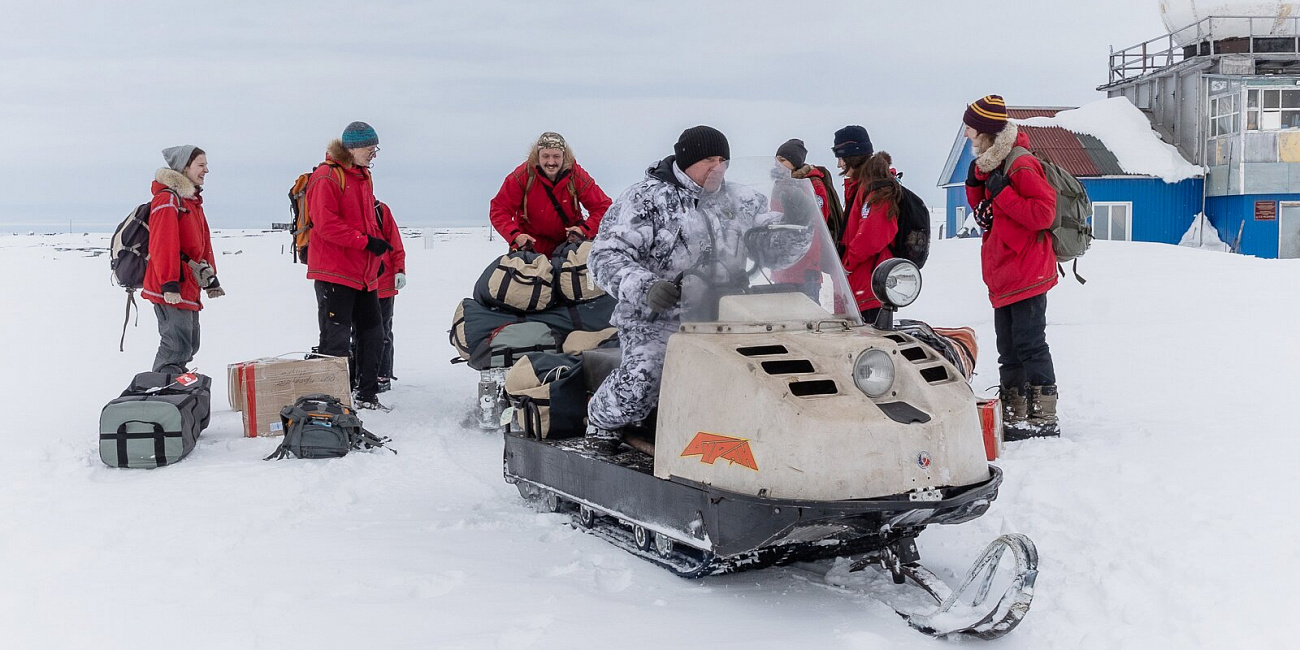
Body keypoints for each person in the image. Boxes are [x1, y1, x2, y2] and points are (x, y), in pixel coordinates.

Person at [584, 126, 816, 455]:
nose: (718, 167)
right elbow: (605, 257)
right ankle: (602, 421)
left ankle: (776, 443)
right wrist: (647, 288)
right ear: (687, 160)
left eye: (724, 160)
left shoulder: (742, 200)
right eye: (709, 159)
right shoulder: (646, 200)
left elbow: (771, 251)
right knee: (644, 380)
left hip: (730, 314)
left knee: (781, 371)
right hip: (658, 317)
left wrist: (796, 223)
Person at [962, 95, 1060, 439]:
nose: (966, 135)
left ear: (986, 131)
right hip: (1006, 271)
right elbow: (988, 217)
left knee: (1030, 344)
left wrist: (1002, 193)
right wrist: (976, 185)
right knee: (1008, 348)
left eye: (970, 128)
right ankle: (1015, 413)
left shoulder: (1020, 164)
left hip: (1027, 270)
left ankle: (1043, 417)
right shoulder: (994, 164)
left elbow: (1042, 215)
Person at [305, 121, 391, 410]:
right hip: (334, 271)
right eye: (370, 148)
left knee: (373, 334)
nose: (374, 154)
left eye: (375, 148)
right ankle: (333, 400)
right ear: (352, 148)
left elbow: (368, 222)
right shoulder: (326, 176)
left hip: (362, 273)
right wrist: (366, 243)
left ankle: (366, 394)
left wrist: (375, 258)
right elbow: (326, 225)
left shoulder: (363, 177)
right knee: (336, 339)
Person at [142, 145, 222, 374]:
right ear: (184, 167)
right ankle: (159, 395)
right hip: (170, 286)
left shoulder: (191, 202)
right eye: (201, 165)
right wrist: (169, 282)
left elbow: (203, 244)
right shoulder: (167, 199)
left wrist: (210, 278)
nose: (206, 170)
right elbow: (162, 244)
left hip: (188, 285)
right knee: (175, 346)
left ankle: (174, 390)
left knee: (188, 345)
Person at [488, 132, 613, 256]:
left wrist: (583, 230)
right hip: (530, 246)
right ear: (538, 156)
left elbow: (604, 208)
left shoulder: (576, 175)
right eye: (546, 156)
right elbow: (499, 209)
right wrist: (516, 236)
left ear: (564, 156)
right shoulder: (523, 175)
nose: (551, 162)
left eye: (556, 156)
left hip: (569, 246)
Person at [772, 138, 843, 299]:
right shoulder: (779, 185)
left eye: (782, 160)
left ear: (794, 161)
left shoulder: (812, 184)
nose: (778, 164)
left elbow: (818, 217)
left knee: (809, 314)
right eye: (776, 160)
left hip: (807, 263)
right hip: (783, 262)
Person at [838, 150, 901, 322]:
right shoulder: (861, 188)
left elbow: (872, 237)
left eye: (841, 158)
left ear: (853, 158)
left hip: (869, 282)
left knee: (868, 342)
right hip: (860, 282)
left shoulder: (876, 188)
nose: (839, 165)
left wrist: (848, 264)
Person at [375, 200, 405, 393]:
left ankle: (383, 375)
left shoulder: (380, 210)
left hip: (383, 284)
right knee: (357, 333)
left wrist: (399, 270)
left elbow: (395, 243)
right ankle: (360, 375)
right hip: (357, 284)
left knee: (383, 331)